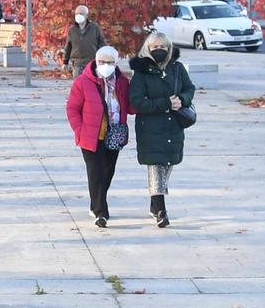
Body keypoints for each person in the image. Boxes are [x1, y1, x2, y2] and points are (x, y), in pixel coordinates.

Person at [127, 31, 195, 230]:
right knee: (156, 167)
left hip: (173, 127)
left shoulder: (177, 68)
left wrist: (181, 100)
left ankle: (153, 202)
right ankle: (160, 211)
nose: (159, 50)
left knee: (168, 165)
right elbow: (136, 101)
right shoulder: (141, 72)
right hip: (150, 128)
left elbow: (189, 89)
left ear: (169, 49)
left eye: (163, 47)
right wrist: (164, 104)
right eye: (155, 47)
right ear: (147, 49)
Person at [65, 45, 132, 228]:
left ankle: (95, 203)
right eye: (102, 61)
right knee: (96, 173)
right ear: (96, 61)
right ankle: (101, 212)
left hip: (114, 134)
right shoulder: (83, 82)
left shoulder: (122, 82)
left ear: (116, 63)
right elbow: (72, 109)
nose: (106, 65)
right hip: (91, 135)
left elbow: (131, 107)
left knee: (108, 172)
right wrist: (79, 130)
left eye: (110, 62)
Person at [62, 4, 103, 73]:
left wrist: (102, 60)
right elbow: (68, 46)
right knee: (78, 83)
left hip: (91, 63)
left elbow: (101, 44)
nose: (78, 15)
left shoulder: (95, 28)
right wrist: (65, 62)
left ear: (86, 16)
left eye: (81, 14)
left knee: (90, 83)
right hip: (77, 64)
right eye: (76, 14)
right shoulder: (72, 29)